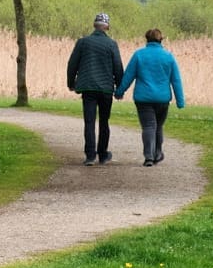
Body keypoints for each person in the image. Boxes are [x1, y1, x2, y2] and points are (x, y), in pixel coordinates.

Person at [116, 28, 185, 166]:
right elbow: (176, 80)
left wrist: (119, 91)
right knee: (158, 126)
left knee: (148, 126)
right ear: (161, 39)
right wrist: (180, 101)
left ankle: (148, 156)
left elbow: (129, 75)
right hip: (162, 99)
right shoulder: (168, 57)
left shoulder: (139, 55)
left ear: (146, 39)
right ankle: (158, 153)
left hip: (143, 98)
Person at [66, 13, 125, 166]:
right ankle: (103, 154)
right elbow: (118, 67)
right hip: (105, 88)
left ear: (94, 25)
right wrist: (120, 88)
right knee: (104, 122)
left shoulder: (82, 42)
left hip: (88, 87)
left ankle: (90, 155)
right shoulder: (112, 44)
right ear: (107, 27)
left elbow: (72, 64)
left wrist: (71, 83)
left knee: (89, 122)